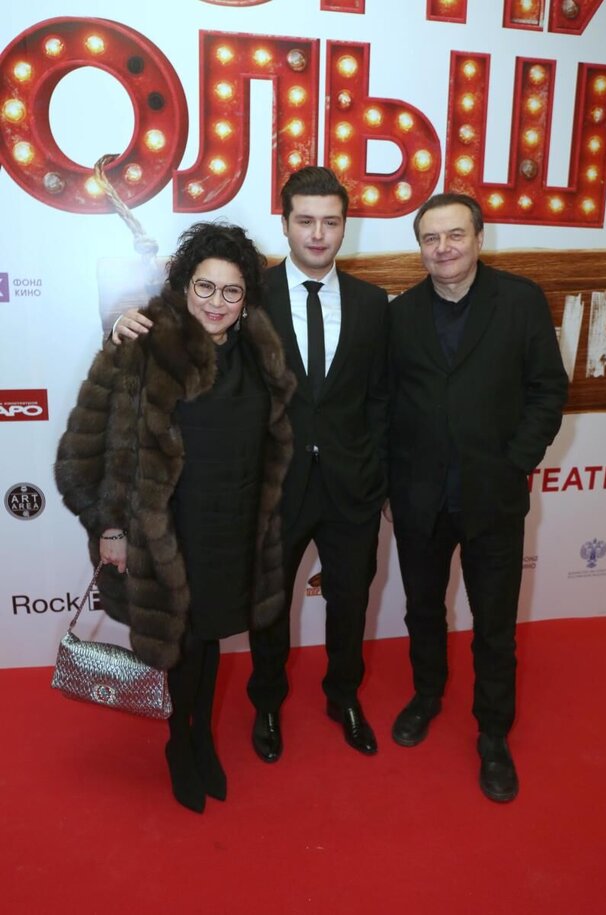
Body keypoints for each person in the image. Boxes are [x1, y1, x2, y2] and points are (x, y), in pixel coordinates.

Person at [113, 167, 389, 761]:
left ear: (345, 226)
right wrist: (123, 323)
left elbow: (381, 399)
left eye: (331, 222)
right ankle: (267, 703)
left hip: (352, 487)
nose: (318, 234)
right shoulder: (249, 292)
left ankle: (344, 696)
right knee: (270, 606)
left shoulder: (372, 304)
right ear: (285, 224)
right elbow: (186, 325)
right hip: (273, 488)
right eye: (305, 220)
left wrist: (378, 477)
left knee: (351, 599)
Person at [54, 222, 295, 814]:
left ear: (246, 301)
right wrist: (110, 526)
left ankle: (201, 735)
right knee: (182, 640)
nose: (216, 302)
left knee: (208, 636)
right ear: (184, 286)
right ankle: (179, 743)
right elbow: (90, 449)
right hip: (166, 530)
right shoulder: (143, 343)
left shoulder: (260, 352)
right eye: (204, 287)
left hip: (231, 526)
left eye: (231, 291)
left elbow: (274, 440)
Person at [387, 192, 568, 802]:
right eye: (430, 238)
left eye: (455, 235)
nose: (443, 248)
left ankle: (493, 734)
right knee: (422, 610)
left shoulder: (520, 300)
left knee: (494, 626)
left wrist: (515, 462)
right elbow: (385, 404)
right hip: (419, 498)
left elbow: (548, 389)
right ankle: (427, 694)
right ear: (420, 247)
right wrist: (389, 484)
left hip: (493, 498)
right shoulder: (400, 314)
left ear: (479, 238)